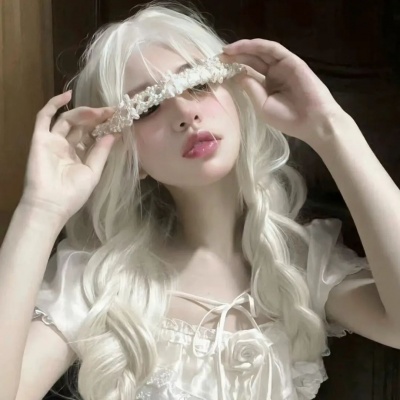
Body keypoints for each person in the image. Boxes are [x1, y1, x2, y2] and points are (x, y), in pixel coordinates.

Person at [1, 2, 400, 400]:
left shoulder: (301, 263)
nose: (186, 112)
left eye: (198, 83)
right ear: (124, 153)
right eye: (149, 106)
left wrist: (331, 128)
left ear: (237, 94)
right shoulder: (95, 283)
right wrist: (40, 210)